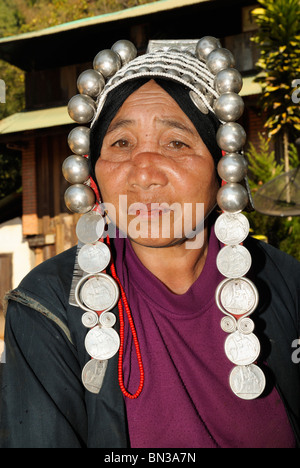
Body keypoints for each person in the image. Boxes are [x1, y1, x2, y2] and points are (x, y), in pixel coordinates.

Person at [0, 38, 299, 449]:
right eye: (121, 144)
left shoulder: (288, 287)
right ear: (93, 171)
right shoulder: (47, 306)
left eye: (176, 143)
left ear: (222, 166)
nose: (144, 173)